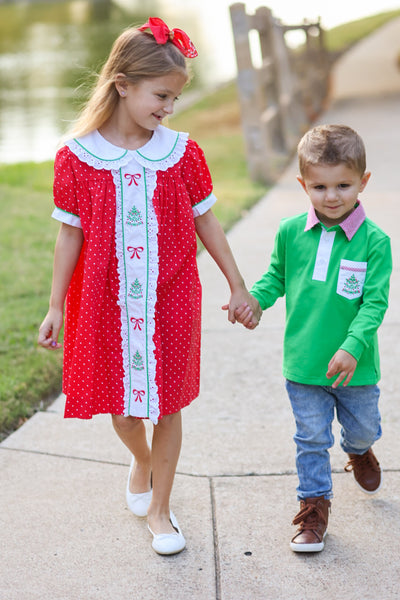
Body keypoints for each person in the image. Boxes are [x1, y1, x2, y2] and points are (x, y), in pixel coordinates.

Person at [38, 18, 255, 556]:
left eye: (176, 98)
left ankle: (160, 508)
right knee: (125, 409)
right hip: (105, 302)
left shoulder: (182, 152)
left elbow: (207, 224)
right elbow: (70, 236)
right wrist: (55, 306)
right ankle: (140, 459)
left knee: (169, 402)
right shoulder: (77, 156)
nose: (169, 108)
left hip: (174, 294)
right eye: (161, 95)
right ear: (123, 85)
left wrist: (238, 285)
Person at [234, 124, 392, 552]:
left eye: (343, 184)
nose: (332, 196)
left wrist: (351, 347)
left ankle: (360, 451)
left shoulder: (375, 242)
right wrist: (255, 301)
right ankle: (313, 509)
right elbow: (276, 278)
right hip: (304, 365)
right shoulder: (290, 232)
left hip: (355, 368)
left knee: (363, 428)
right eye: (320, 186)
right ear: (304, 185)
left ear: (363, 181)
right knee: (310, 439)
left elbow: (375, 305)